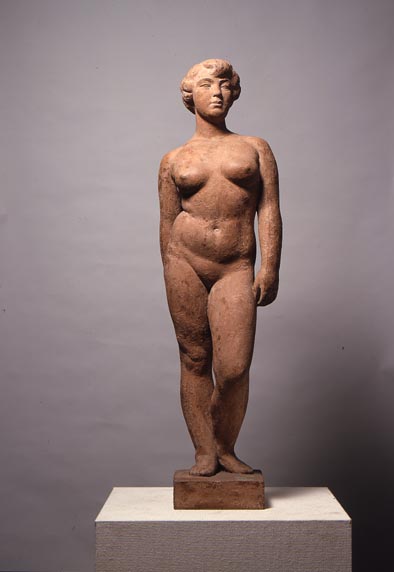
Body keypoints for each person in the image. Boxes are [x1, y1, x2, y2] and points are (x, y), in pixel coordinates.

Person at [158, 59, 282, 476]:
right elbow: (166, 221)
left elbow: (269, 209)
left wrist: (270, 266)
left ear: (235, 93)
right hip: (184, 262)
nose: (217, 92)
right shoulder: (174, 158)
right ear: (189, 95)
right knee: (194, 358)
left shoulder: (255, 147)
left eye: (225, 85)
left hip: (236, 265)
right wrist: (169, 269)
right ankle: (205, 453)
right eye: (207, 85)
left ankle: (225, 446)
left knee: (233, 368)